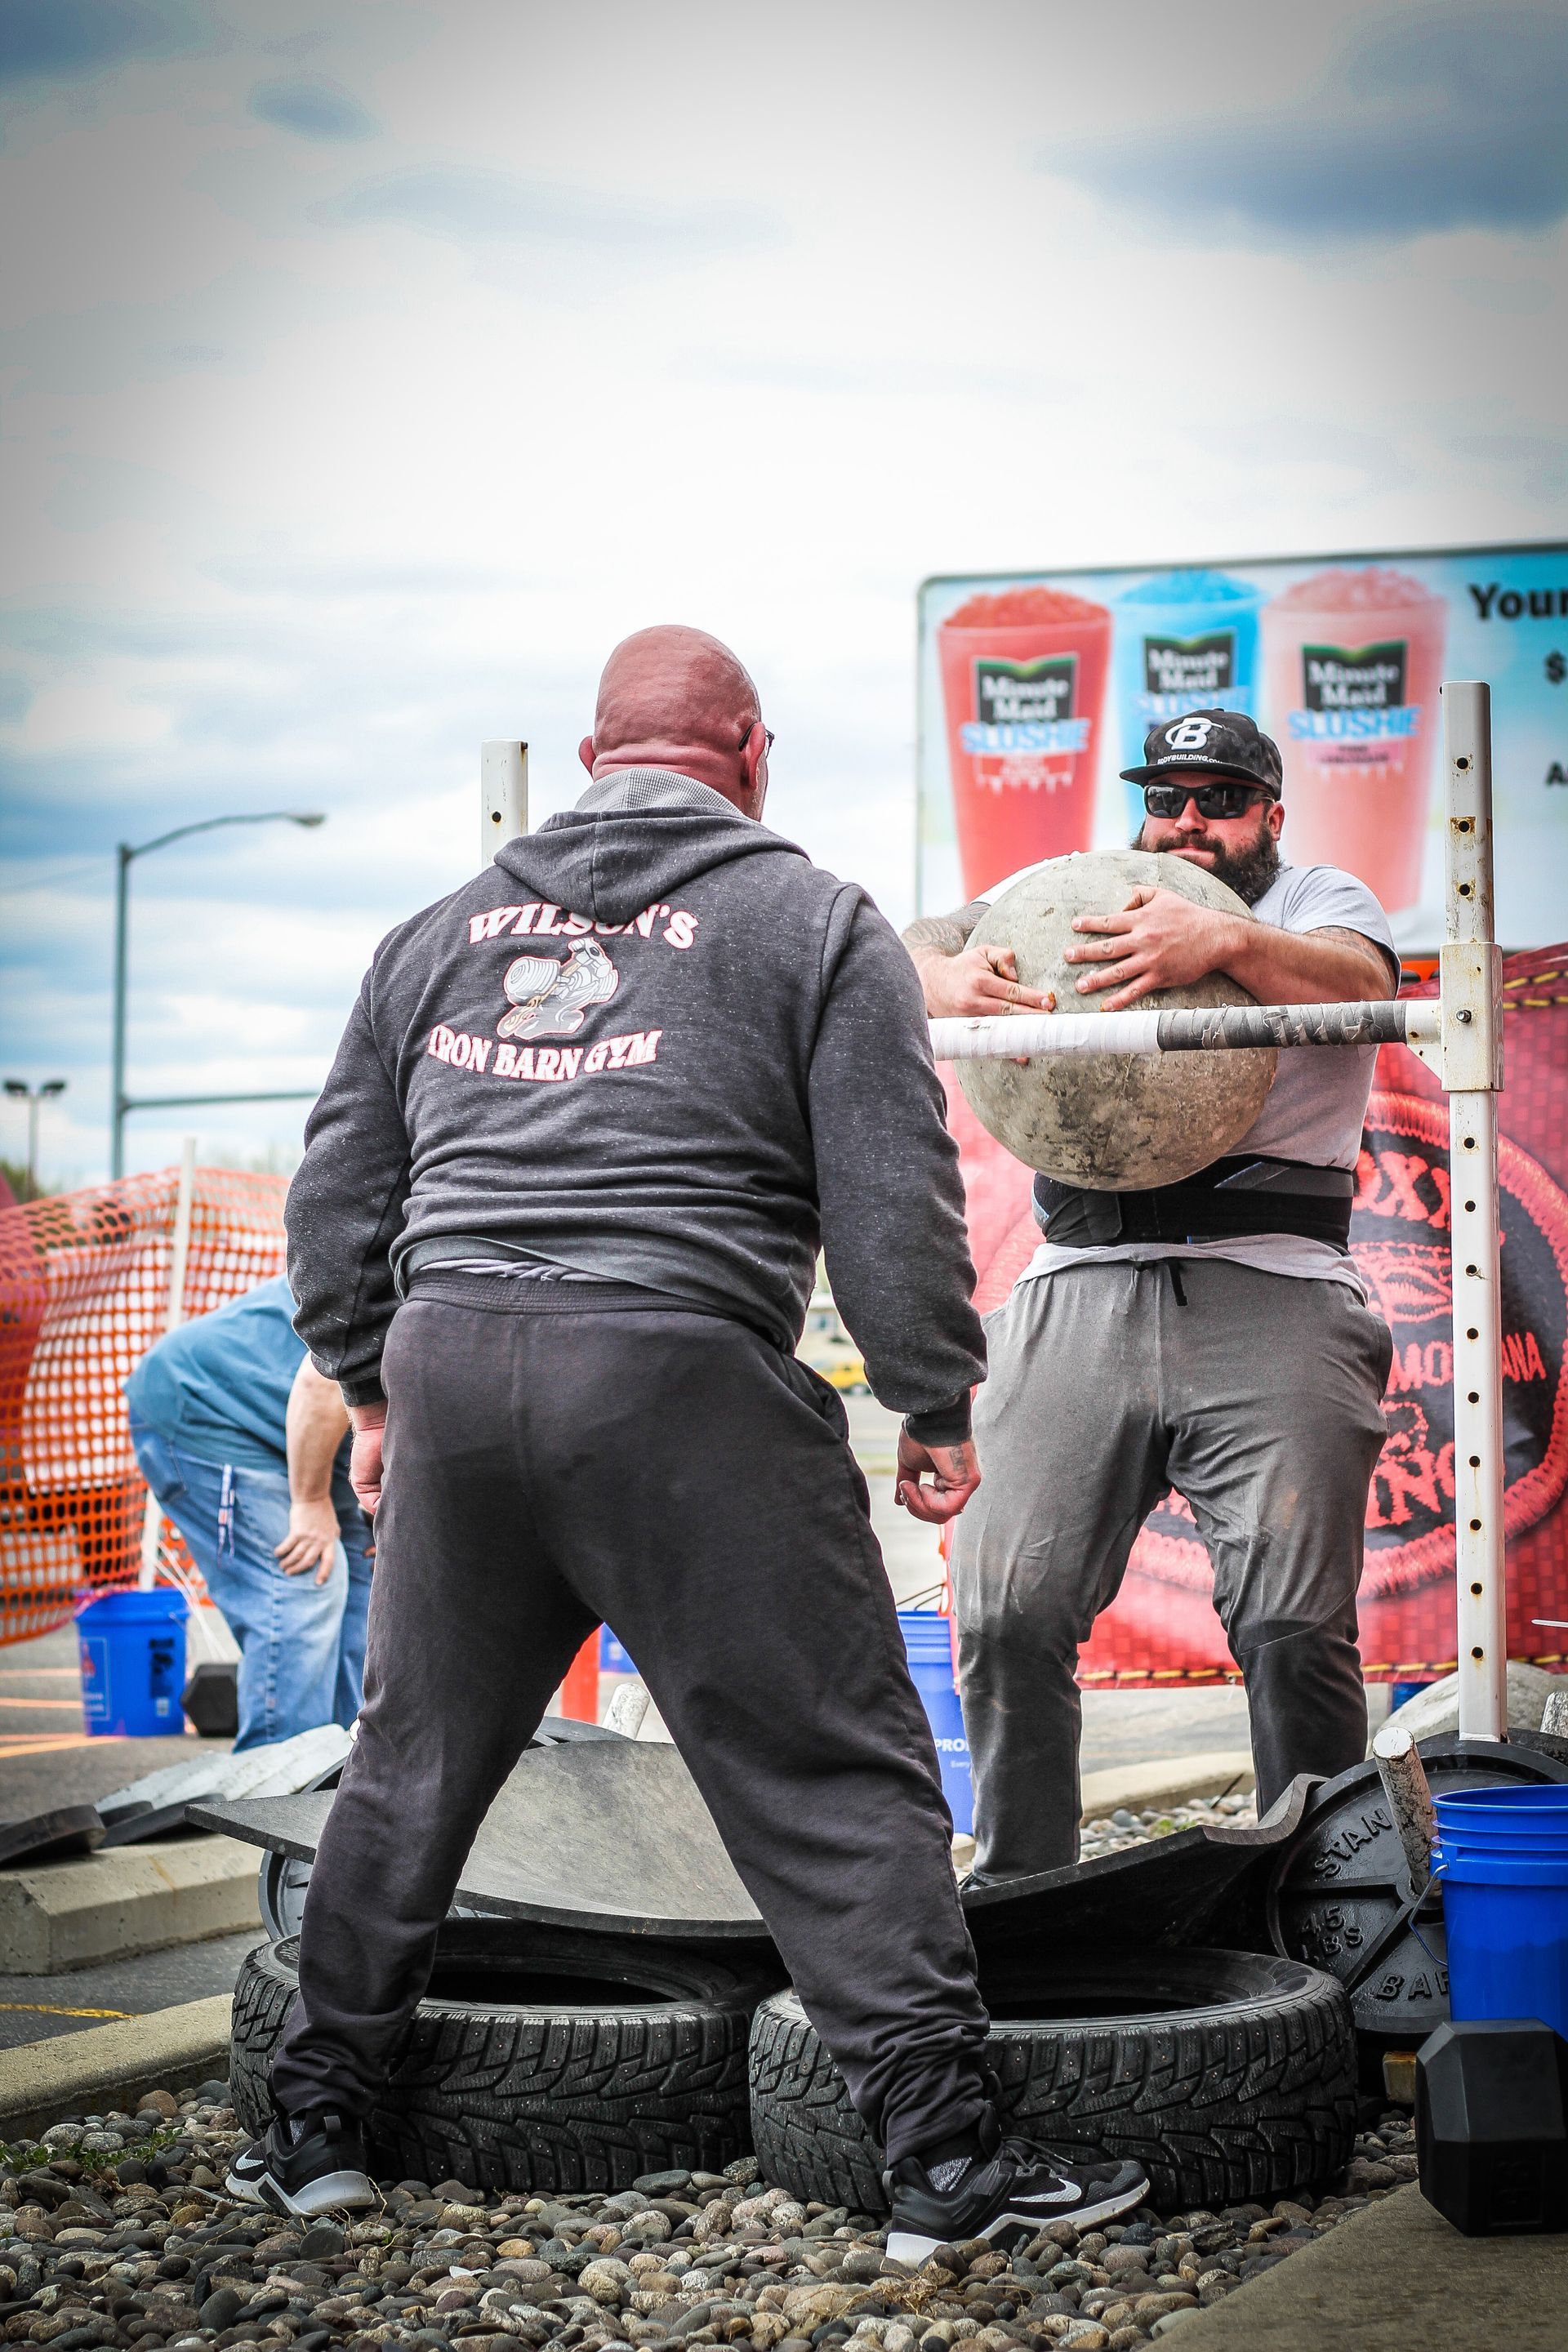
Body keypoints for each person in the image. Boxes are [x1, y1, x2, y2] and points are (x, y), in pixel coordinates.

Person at [226, 624, 1148, 2244]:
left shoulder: (432, 933)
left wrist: (373, 1390)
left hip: (456, 1370)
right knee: (830, 1765)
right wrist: (933, 1396)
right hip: (678, 1379)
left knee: (413, 1762)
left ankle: (315, 2130)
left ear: (594, 758)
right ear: (752, 751)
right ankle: (944, 2165)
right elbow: (892, 1204)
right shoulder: (811, 920)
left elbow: (336, 1205)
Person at [905, 709, 1397, 1882]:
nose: (1189, 822)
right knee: (1006, 1612)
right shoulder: (1075, 887)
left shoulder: (1320, 901)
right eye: (1168, 796)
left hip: (1274, 1284)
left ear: (1270, 814)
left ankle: (1323, 1896)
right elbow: (902, 950)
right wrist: (949, 977)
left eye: (1219, 800)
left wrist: (1206, 944)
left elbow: (1366, 984)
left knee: (1290, 1628)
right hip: (1079, 1283)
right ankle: (1027, 1894)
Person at [125, 1275, 372, 1750]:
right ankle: (277, 1785)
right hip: (208, 1408)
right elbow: (321, 1383)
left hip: (306, 1422)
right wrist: (311, 1502)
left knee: (368, 1580)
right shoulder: (424, 1288)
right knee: (305, 1582)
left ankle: (347, 1765)